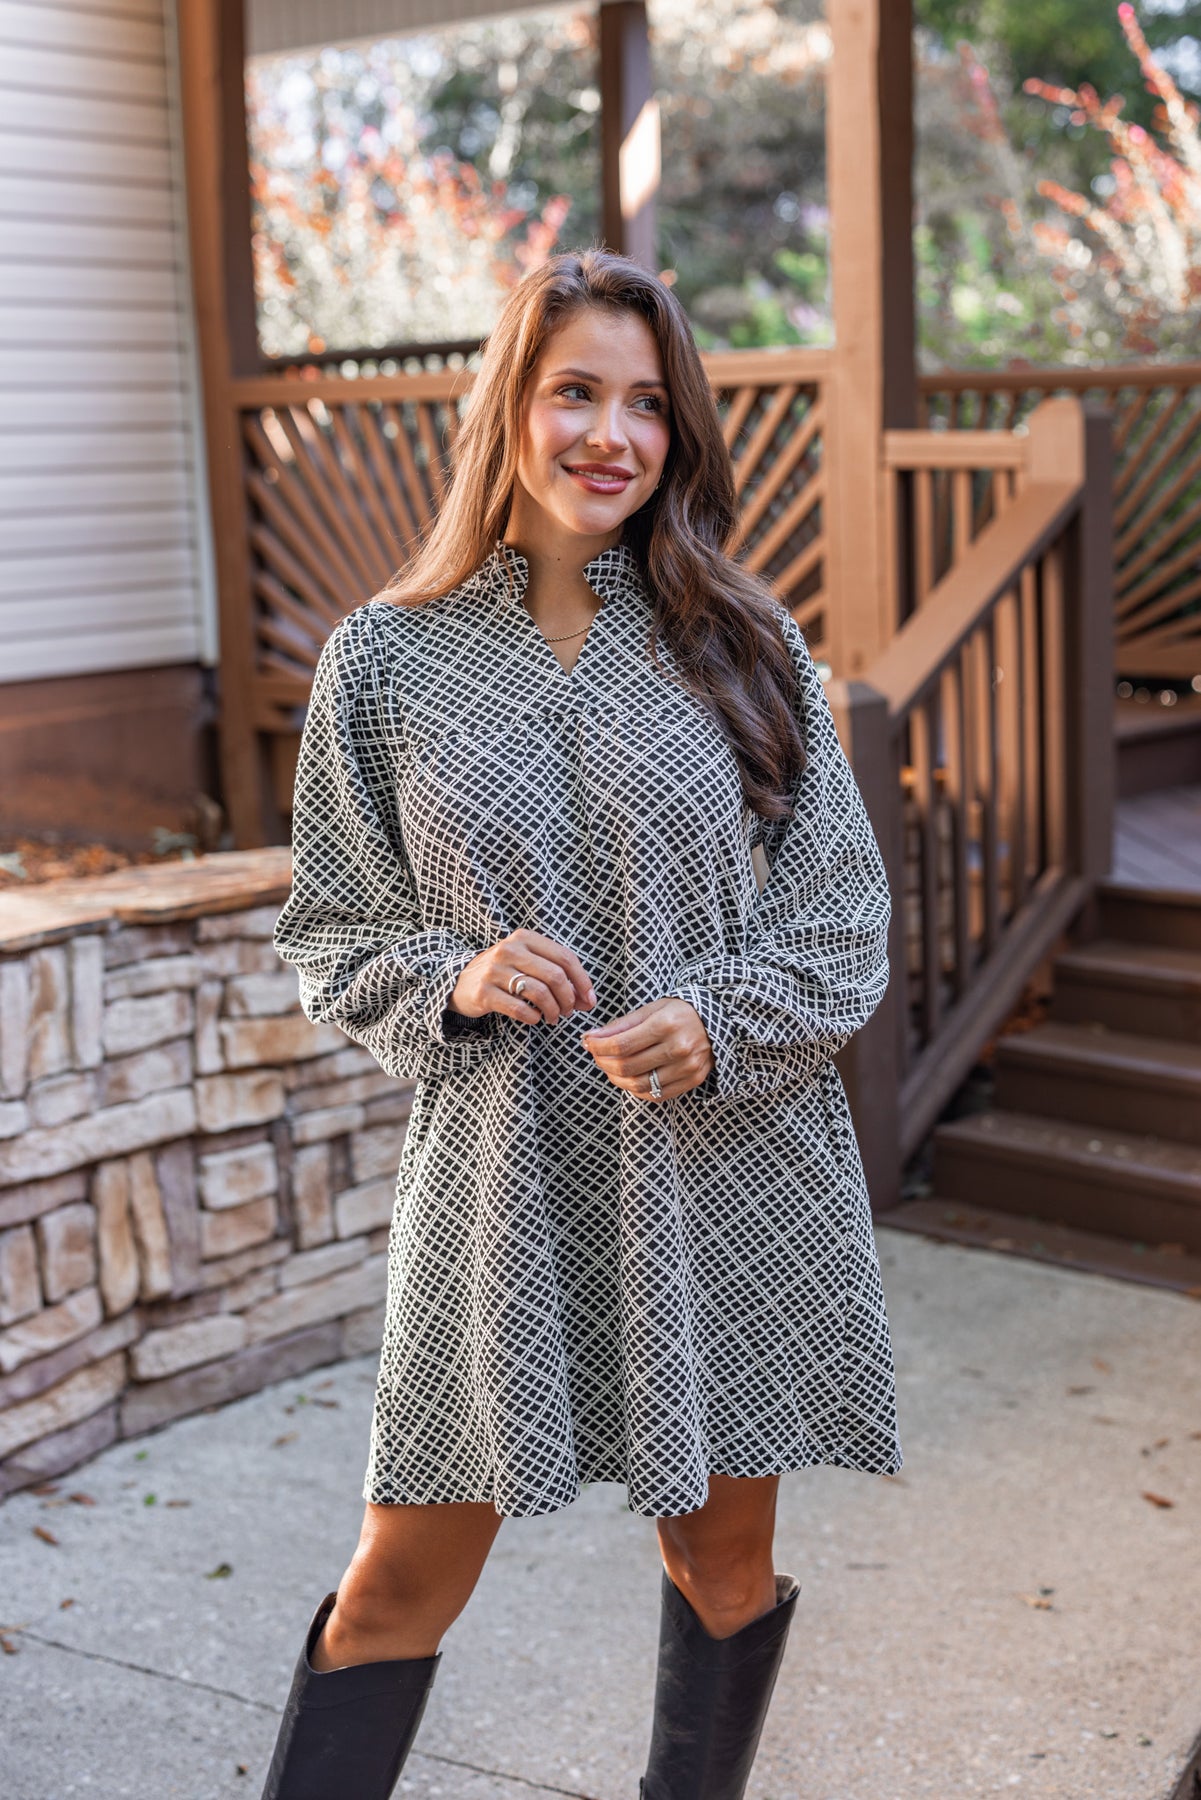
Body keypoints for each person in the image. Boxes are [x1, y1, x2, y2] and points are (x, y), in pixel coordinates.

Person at [262, 246, 902, 1800]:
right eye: (574, 394)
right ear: (511, 407)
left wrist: (718, 1019)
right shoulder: (383, 661)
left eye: (647, 404)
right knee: (392, 1586)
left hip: (725, 1180)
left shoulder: (747, 647)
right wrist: (459, 979)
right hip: (502, 1185)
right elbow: (331, 931)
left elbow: (840, 914)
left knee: (721, 1568)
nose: (611, 435)